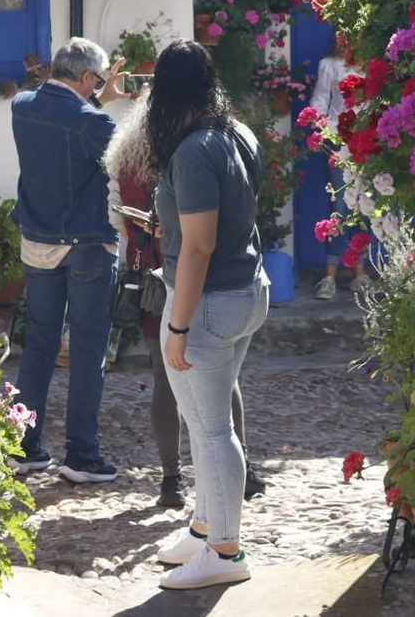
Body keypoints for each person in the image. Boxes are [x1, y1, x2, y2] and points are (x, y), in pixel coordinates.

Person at [103, 91, 266, 511]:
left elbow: (119, 220)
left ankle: (172, 480)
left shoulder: (130, 157)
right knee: (222, 377)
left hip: (159, 276)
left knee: (167, 378)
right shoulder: (200, 146)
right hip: (197, 276)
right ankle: (240, 470)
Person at [145, 40, 268, 590]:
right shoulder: (236, 132)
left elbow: (199, 246)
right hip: (245, 292)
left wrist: (176, 325)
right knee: (203, 424)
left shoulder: (193, 149)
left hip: (208, 303)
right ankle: (203, 529)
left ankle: (226, 551)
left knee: (214, 431)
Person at [8, 37, 129, 484]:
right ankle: (81, 455)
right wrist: (103, 103)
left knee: (38, 345)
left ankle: (24, 446)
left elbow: (62, 113)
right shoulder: (93, 122)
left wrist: (98, 95)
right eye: (97, 79)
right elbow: (122, 155)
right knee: (87, 349)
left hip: (37, 240)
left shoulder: (21, 105)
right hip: (86, 245)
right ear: (85, 77)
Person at [307, 43, 373, 299]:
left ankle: (360, 275)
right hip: (338, 140)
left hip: (366, 141)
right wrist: (320, 127)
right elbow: (321, 99)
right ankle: (329, 277)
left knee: (364, 206)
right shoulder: (330, 65)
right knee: (340, 207)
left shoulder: (369, 66)